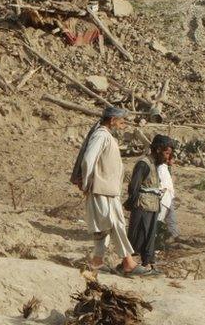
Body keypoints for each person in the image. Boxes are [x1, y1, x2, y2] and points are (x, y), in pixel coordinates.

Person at [74, 106, 149, 277]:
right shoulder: (101, 135)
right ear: (112, 120)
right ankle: (128, 262)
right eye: (122, 121)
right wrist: (86, 184)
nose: (124, 124)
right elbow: (88, 160)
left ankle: (97, 262)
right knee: (116, 225)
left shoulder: (105, 135)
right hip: (103, 190)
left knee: (105, 228)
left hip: (107, 190)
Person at [125, 135, 174, 273]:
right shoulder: (144, 164)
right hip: (142, 206)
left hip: (153, 206)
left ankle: (148, 264)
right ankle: (128, 265)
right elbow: (134, 187)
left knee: (150, 237)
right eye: (166, 153)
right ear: (158, 150)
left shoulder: (155, 165)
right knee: (137, 236)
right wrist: (132, 202)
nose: (167, 157)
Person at [156, 142, 180, 243]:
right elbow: (162, 185)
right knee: (159, 219)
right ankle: (156, 239)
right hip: (163, 199)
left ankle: (173, 236)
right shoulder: (161, 168)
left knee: (171, 218)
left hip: (168, 198)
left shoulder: (166, 169)